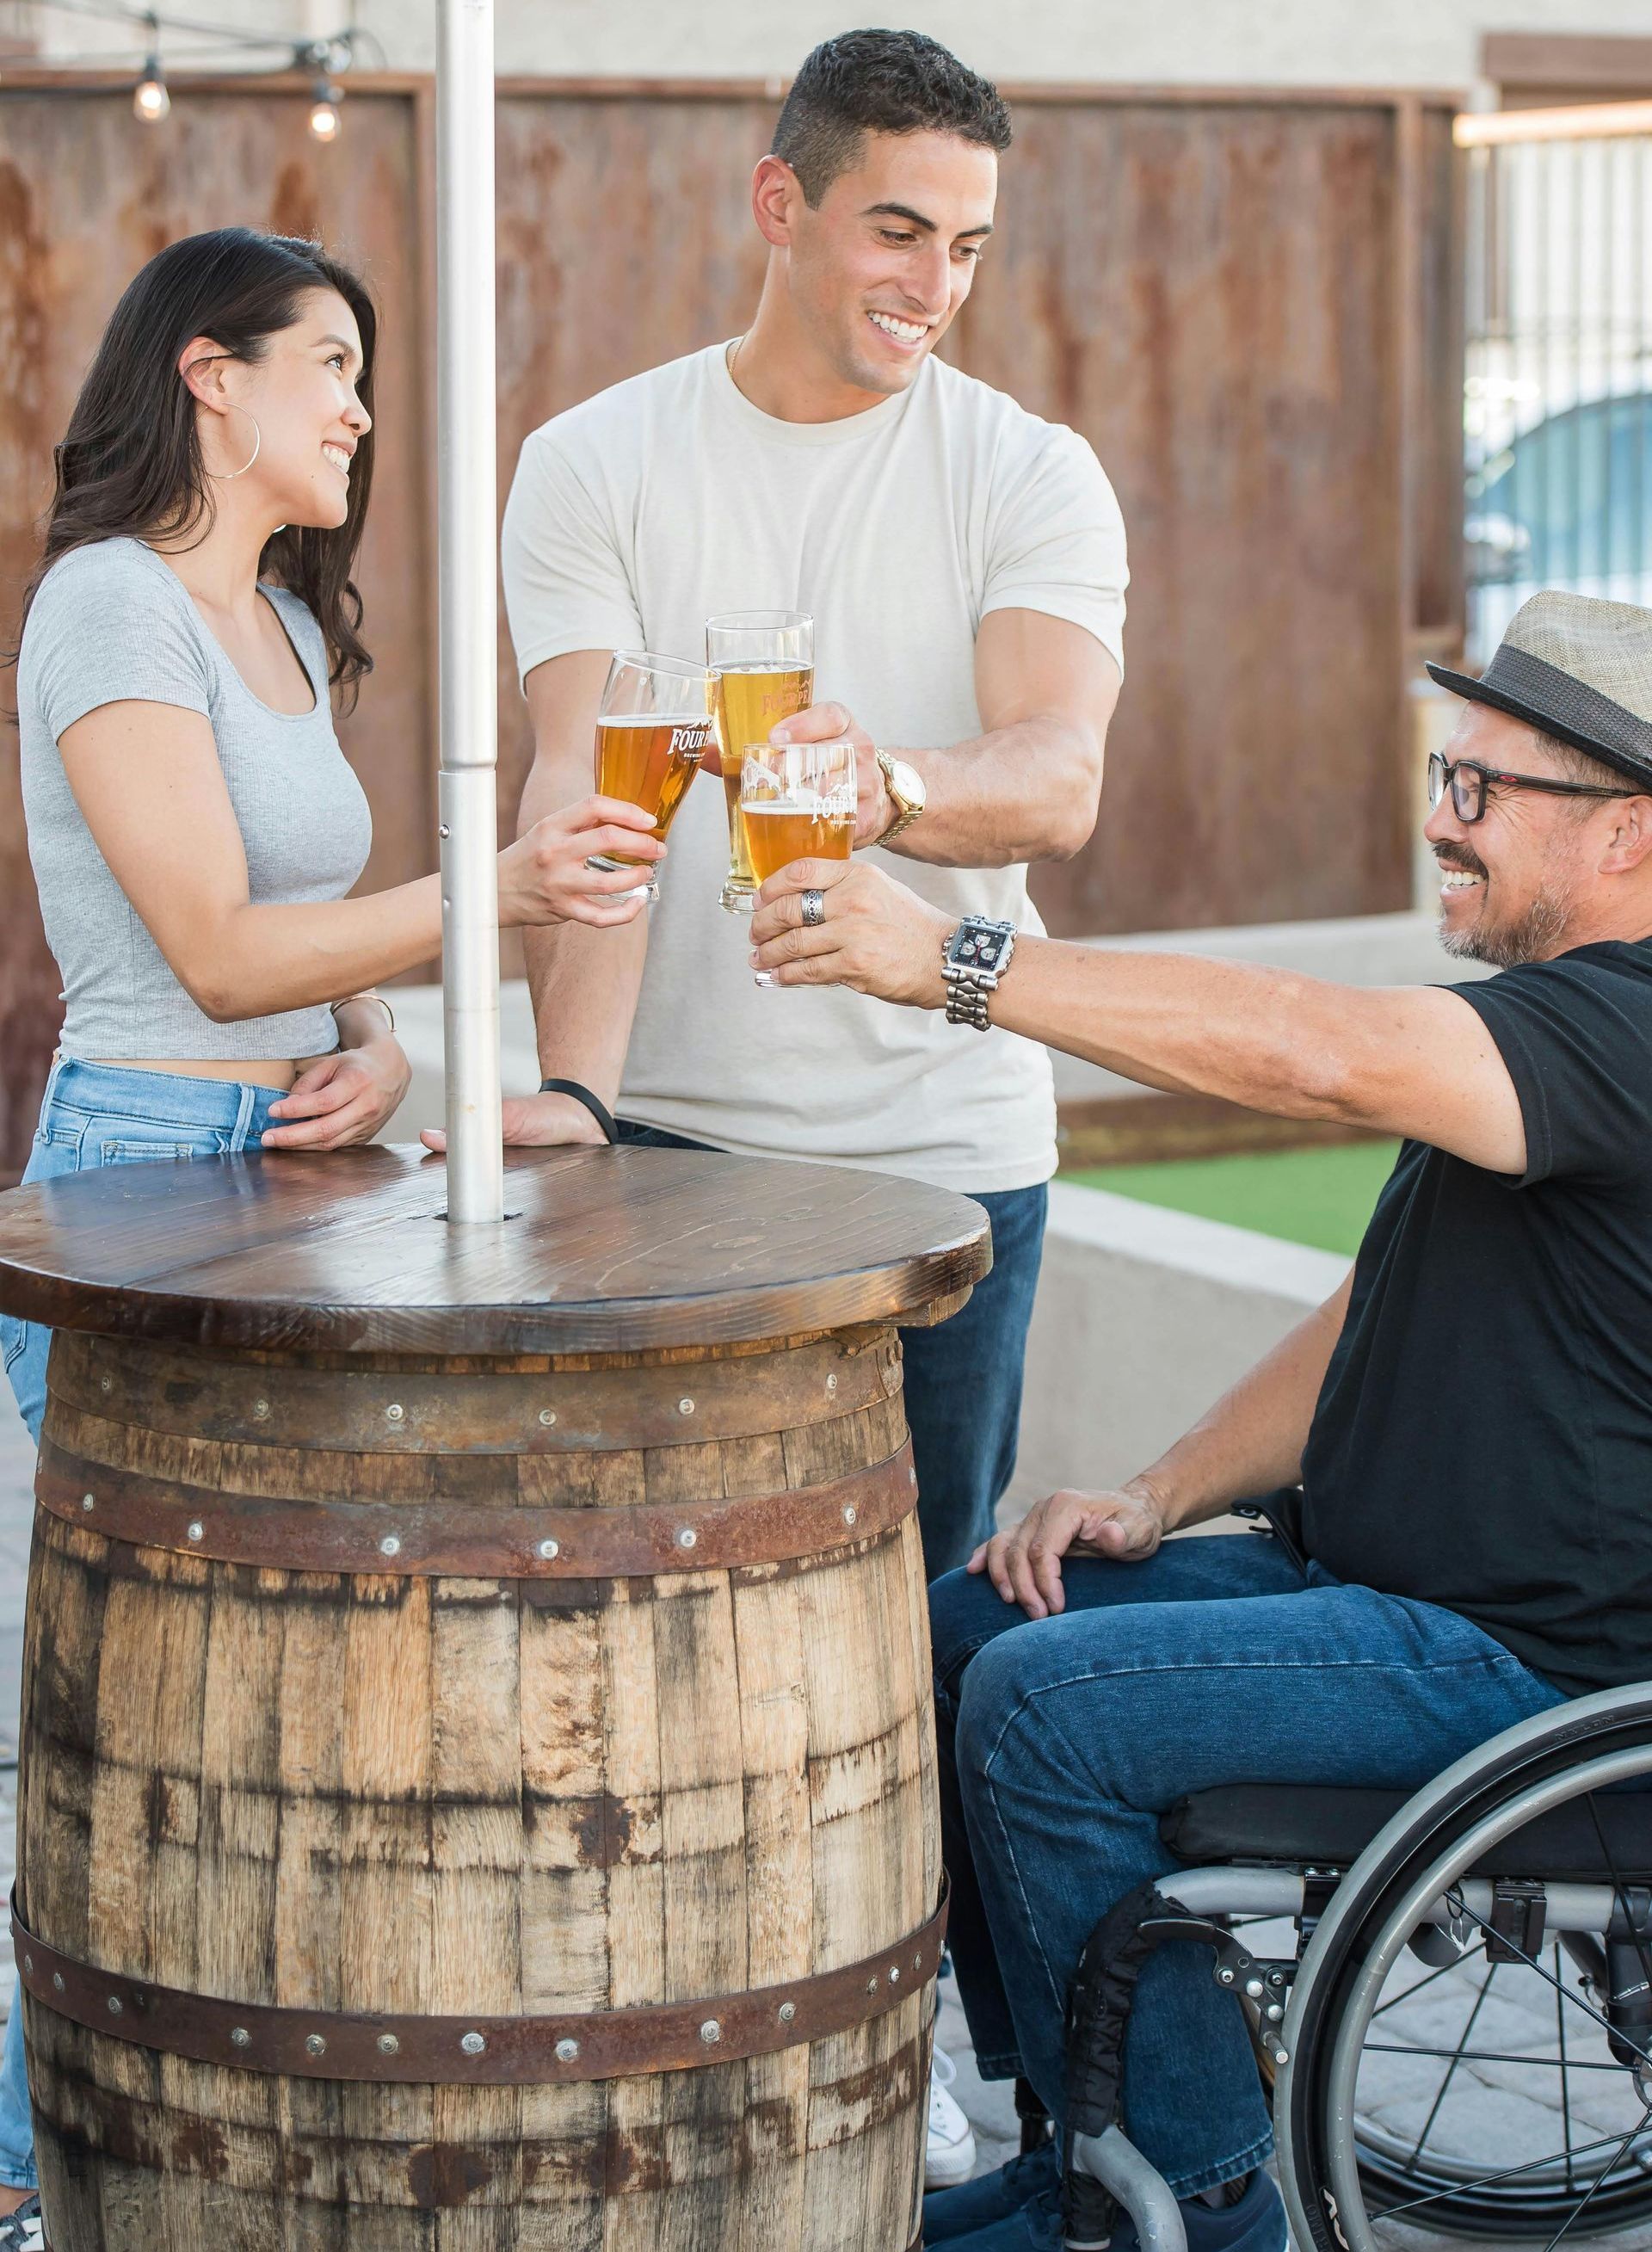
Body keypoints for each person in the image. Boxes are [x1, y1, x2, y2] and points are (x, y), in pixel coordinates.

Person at [746, 589, 1652, 2251]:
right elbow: (1368, 1318)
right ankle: (1082, 2147)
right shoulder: (1546, 1034)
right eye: (1442, 780)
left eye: (1484, 794)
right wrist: (1157, 1491)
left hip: (1534, 1667)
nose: (1441, 827)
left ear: (1630, 833)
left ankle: (1210, 2198)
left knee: (1042, 1706)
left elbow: (1313, 1053)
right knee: (956, 1626)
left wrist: (955, 957)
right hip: (1384, 1595)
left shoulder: (1628, 1023)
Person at [0, 226, 662, 2243]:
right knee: (69, 1707)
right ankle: (34, 2180)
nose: (364, 406)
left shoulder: (282, 620)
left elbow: (293, 960)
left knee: (226, 1698)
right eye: (333, 363)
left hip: (290, 1171)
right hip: (139, 1174)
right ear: (208, 374)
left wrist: (375, 1040)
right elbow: (204, 950)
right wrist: (498, 898)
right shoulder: (112, 608)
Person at [479, 28, 1127, 1596]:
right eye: (896, 230)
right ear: (782, 202)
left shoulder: (1029, 472)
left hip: (949, 1164)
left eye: (966, 244)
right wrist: (577, 1087)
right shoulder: (593, 461)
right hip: (669, 1149)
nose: (935, 284)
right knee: (647, 1622)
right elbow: (581, 787)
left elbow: (1060, 771)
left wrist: (896, 785)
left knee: (910, 1632)